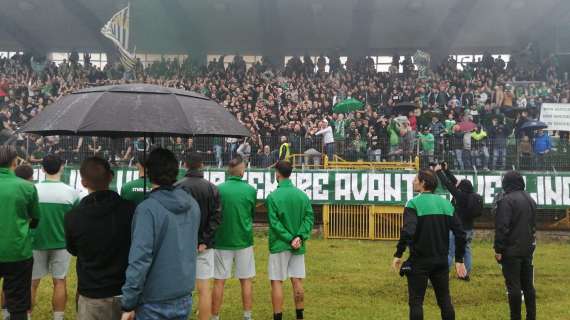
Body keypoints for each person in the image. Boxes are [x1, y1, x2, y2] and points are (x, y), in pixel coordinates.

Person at [121, 148, 200, 320]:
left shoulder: (147, 209)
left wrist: (128, 302)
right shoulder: (192, 204)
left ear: (149, 172)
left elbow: (140, 258)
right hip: (183, 293)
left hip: (154, 300)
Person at [64, 157, 136, 320]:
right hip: (124, 289)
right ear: (111, 176)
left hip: (92, 293)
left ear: (83, 183)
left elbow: (72, 249)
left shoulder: (73, 217)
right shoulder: (130, 209)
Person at [392, 169, 467, 320]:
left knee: (416, 302)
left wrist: (398, 254)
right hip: (441, 261)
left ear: (423, 183)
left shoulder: (413, 203)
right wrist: (459, 260)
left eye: (415, 179)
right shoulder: (446, 204)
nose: (413, 181)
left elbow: (408, 231)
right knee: (445, 301)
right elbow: (460, 234)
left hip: (419, 260)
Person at [31, 155, 80, 320]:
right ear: (62, 167)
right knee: (60, 281)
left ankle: (27, 316)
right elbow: (76, 220)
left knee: (32, 283)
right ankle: (58, 318)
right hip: (62, 243)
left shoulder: (33, 190)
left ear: (42, 169)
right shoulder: (72, 193)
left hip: (35, 242)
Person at [176, 153, 222, 320]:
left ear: (185, 164)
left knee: (180, 290)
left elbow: (175, 218)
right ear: (202, 165)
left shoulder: (177, 187)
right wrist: (204, 241)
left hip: (182, 246)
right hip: (204, 247)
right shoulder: (212, 188)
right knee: (204, 290)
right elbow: (216, 218)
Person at [266, 161, 314, 320]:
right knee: (297, 280)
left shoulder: (273, 197)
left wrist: (290, 238)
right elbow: (309, 218)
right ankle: (299, 316)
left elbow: (274, 223)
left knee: (277, 281)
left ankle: (278, 317)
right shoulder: (302, 195)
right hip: (297, 245)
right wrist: (299, 236)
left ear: (277, 174)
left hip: (280, 244)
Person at [212, 157, 257, 320]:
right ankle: (247, 316)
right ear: (242, 171)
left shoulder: (218, 189)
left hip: (222, 240)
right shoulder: (250, 190)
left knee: (219, 281)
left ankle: (215, 316)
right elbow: (251, 214)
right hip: (243, 240)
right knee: (246, 280)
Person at [0, 146, 39, 320]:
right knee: (18, 305)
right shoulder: (27, 187)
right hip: (17, 251)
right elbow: (35, 219)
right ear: (15, 162)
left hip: (16, 250)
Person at [494, 171, 536, 320]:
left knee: (514, 286)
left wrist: (498, 249)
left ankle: (515, 317)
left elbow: (502, 227)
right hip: (528, 248)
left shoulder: (507, 200)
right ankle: (531, 316)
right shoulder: (529, 198)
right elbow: (533, 225)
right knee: (528, 285)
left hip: (511, 249)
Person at [435, 162, 477, 280]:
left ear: (461, 188)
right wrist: (447, 170)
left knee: (449, 252)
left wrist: (439, 172)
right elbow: (455, 182)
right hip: (469, 228)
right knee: (466, 250)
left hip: (458, 229)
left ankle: (441, 274)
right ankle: (465, 274)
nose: (456, 185)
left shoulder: (460, 196)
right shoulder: (470, 195)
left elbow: (449, 184)